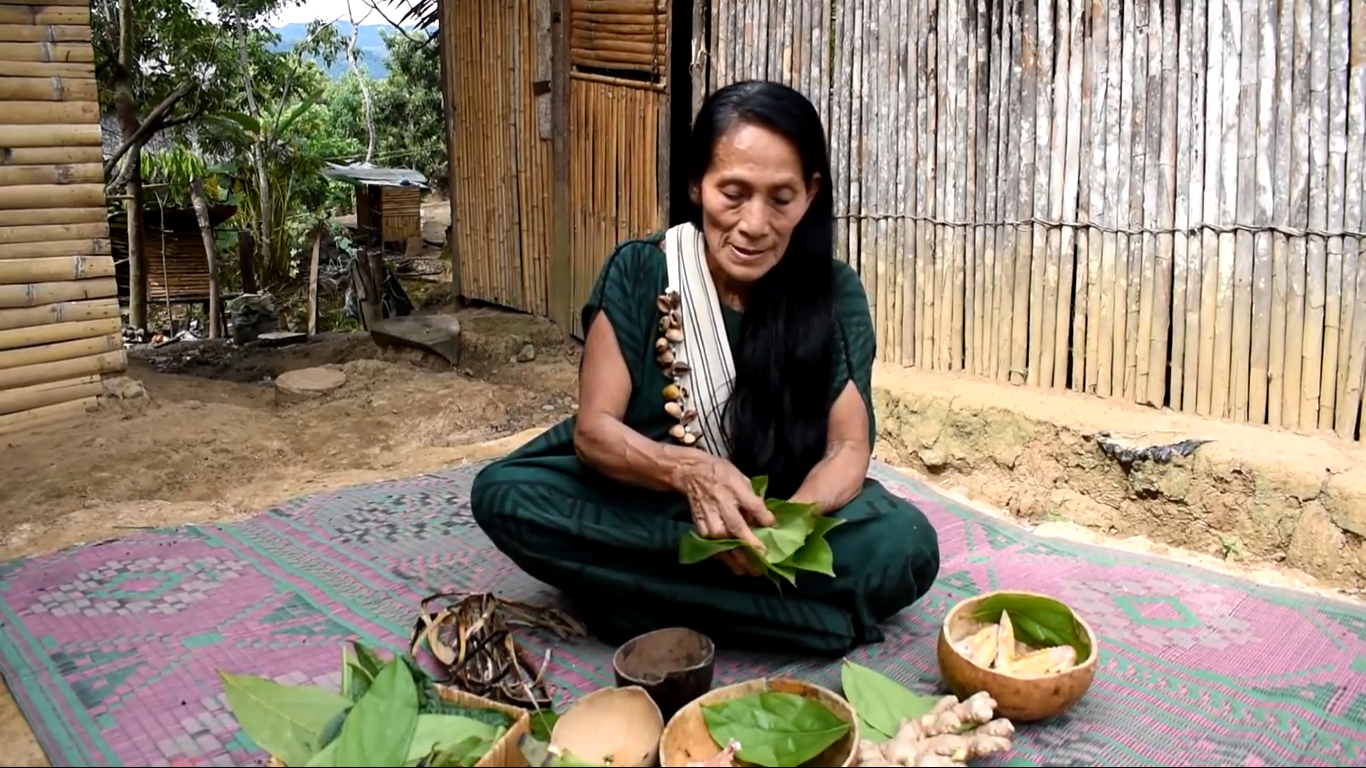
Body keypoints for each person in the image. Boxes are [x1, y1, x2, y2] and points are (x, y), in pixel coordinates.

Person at [470, 80, 940, 656]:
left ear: (811, 194)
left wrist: (781, 525)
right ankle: (804, 622)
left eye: (781, 198)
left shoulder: (833, 295)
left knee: (906, 543)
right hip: (653, 504)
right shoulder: (644, 272)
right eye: (733, 193)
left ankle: (635, 604)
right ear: (696, 184)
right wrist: (689, 472)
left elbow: (847, 448)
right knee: (504, 494)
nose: (754, 224)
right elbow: (595, 432)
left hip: (775, 515)